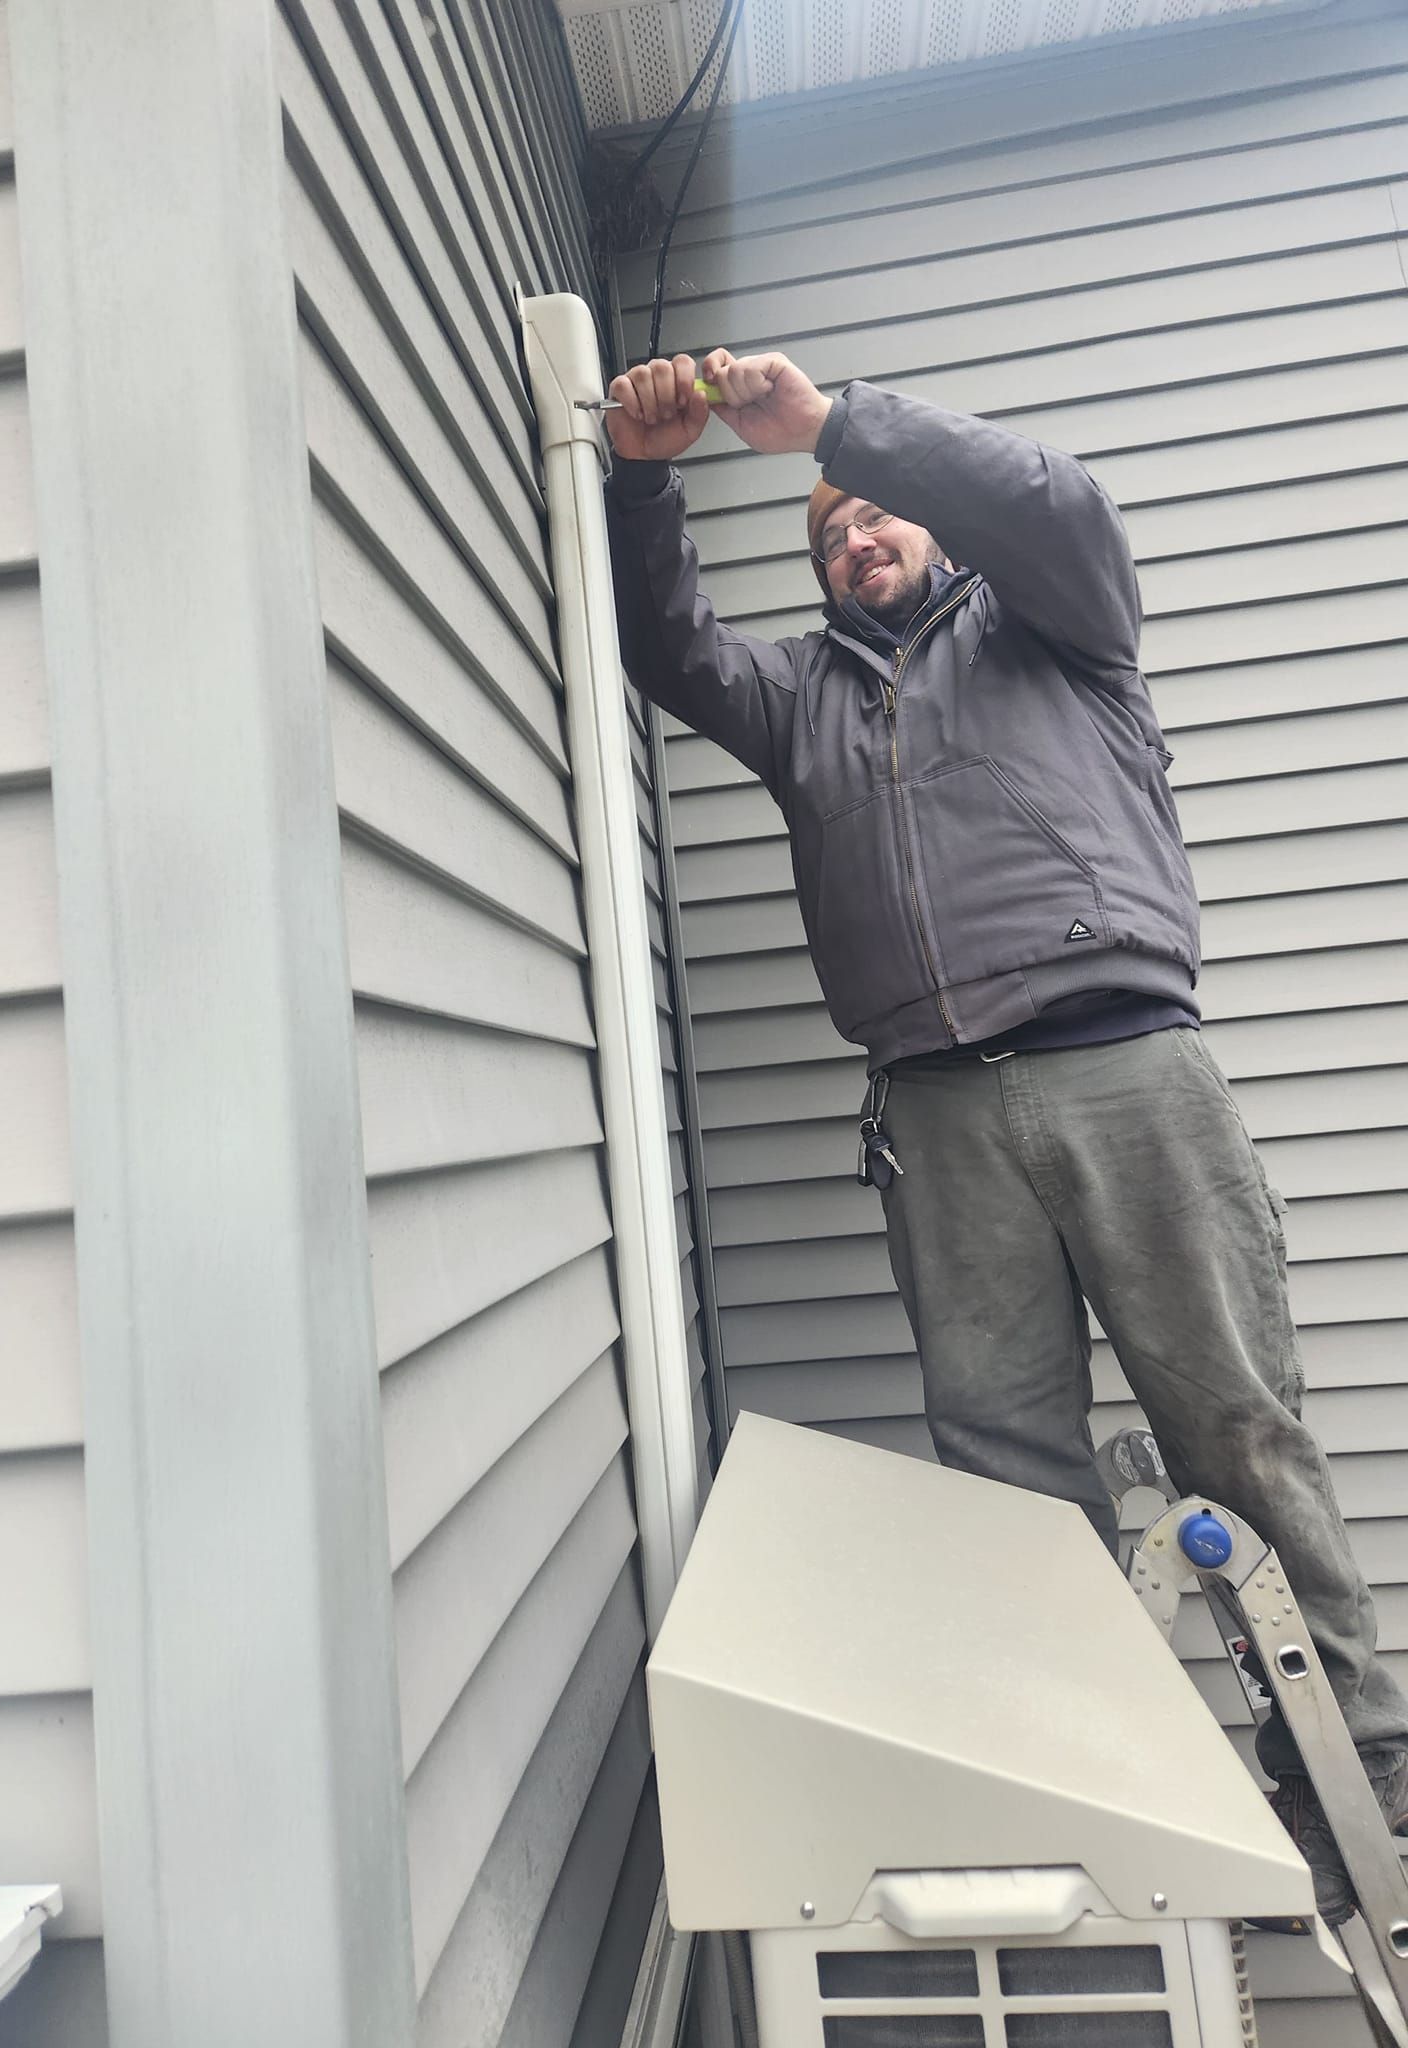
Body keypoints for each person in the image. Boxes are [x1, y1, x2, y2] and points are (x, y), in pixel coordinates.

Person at [603, 345, 1407, 1928]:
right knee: (1006, 1475)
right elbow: (669, 644)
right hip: (940, 1113)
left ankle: (1355, 1776)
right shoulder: (801, 701)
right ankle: (1098, 1783)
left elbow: (1058, 505)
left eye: (874, 514)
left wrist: (831, 429)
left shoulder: (1059, 623)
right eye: (826, 527)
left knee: (1236, 1429)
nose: (851, 536)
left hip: (1127, 1071)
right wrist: (642, 478)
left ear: (934, 526)